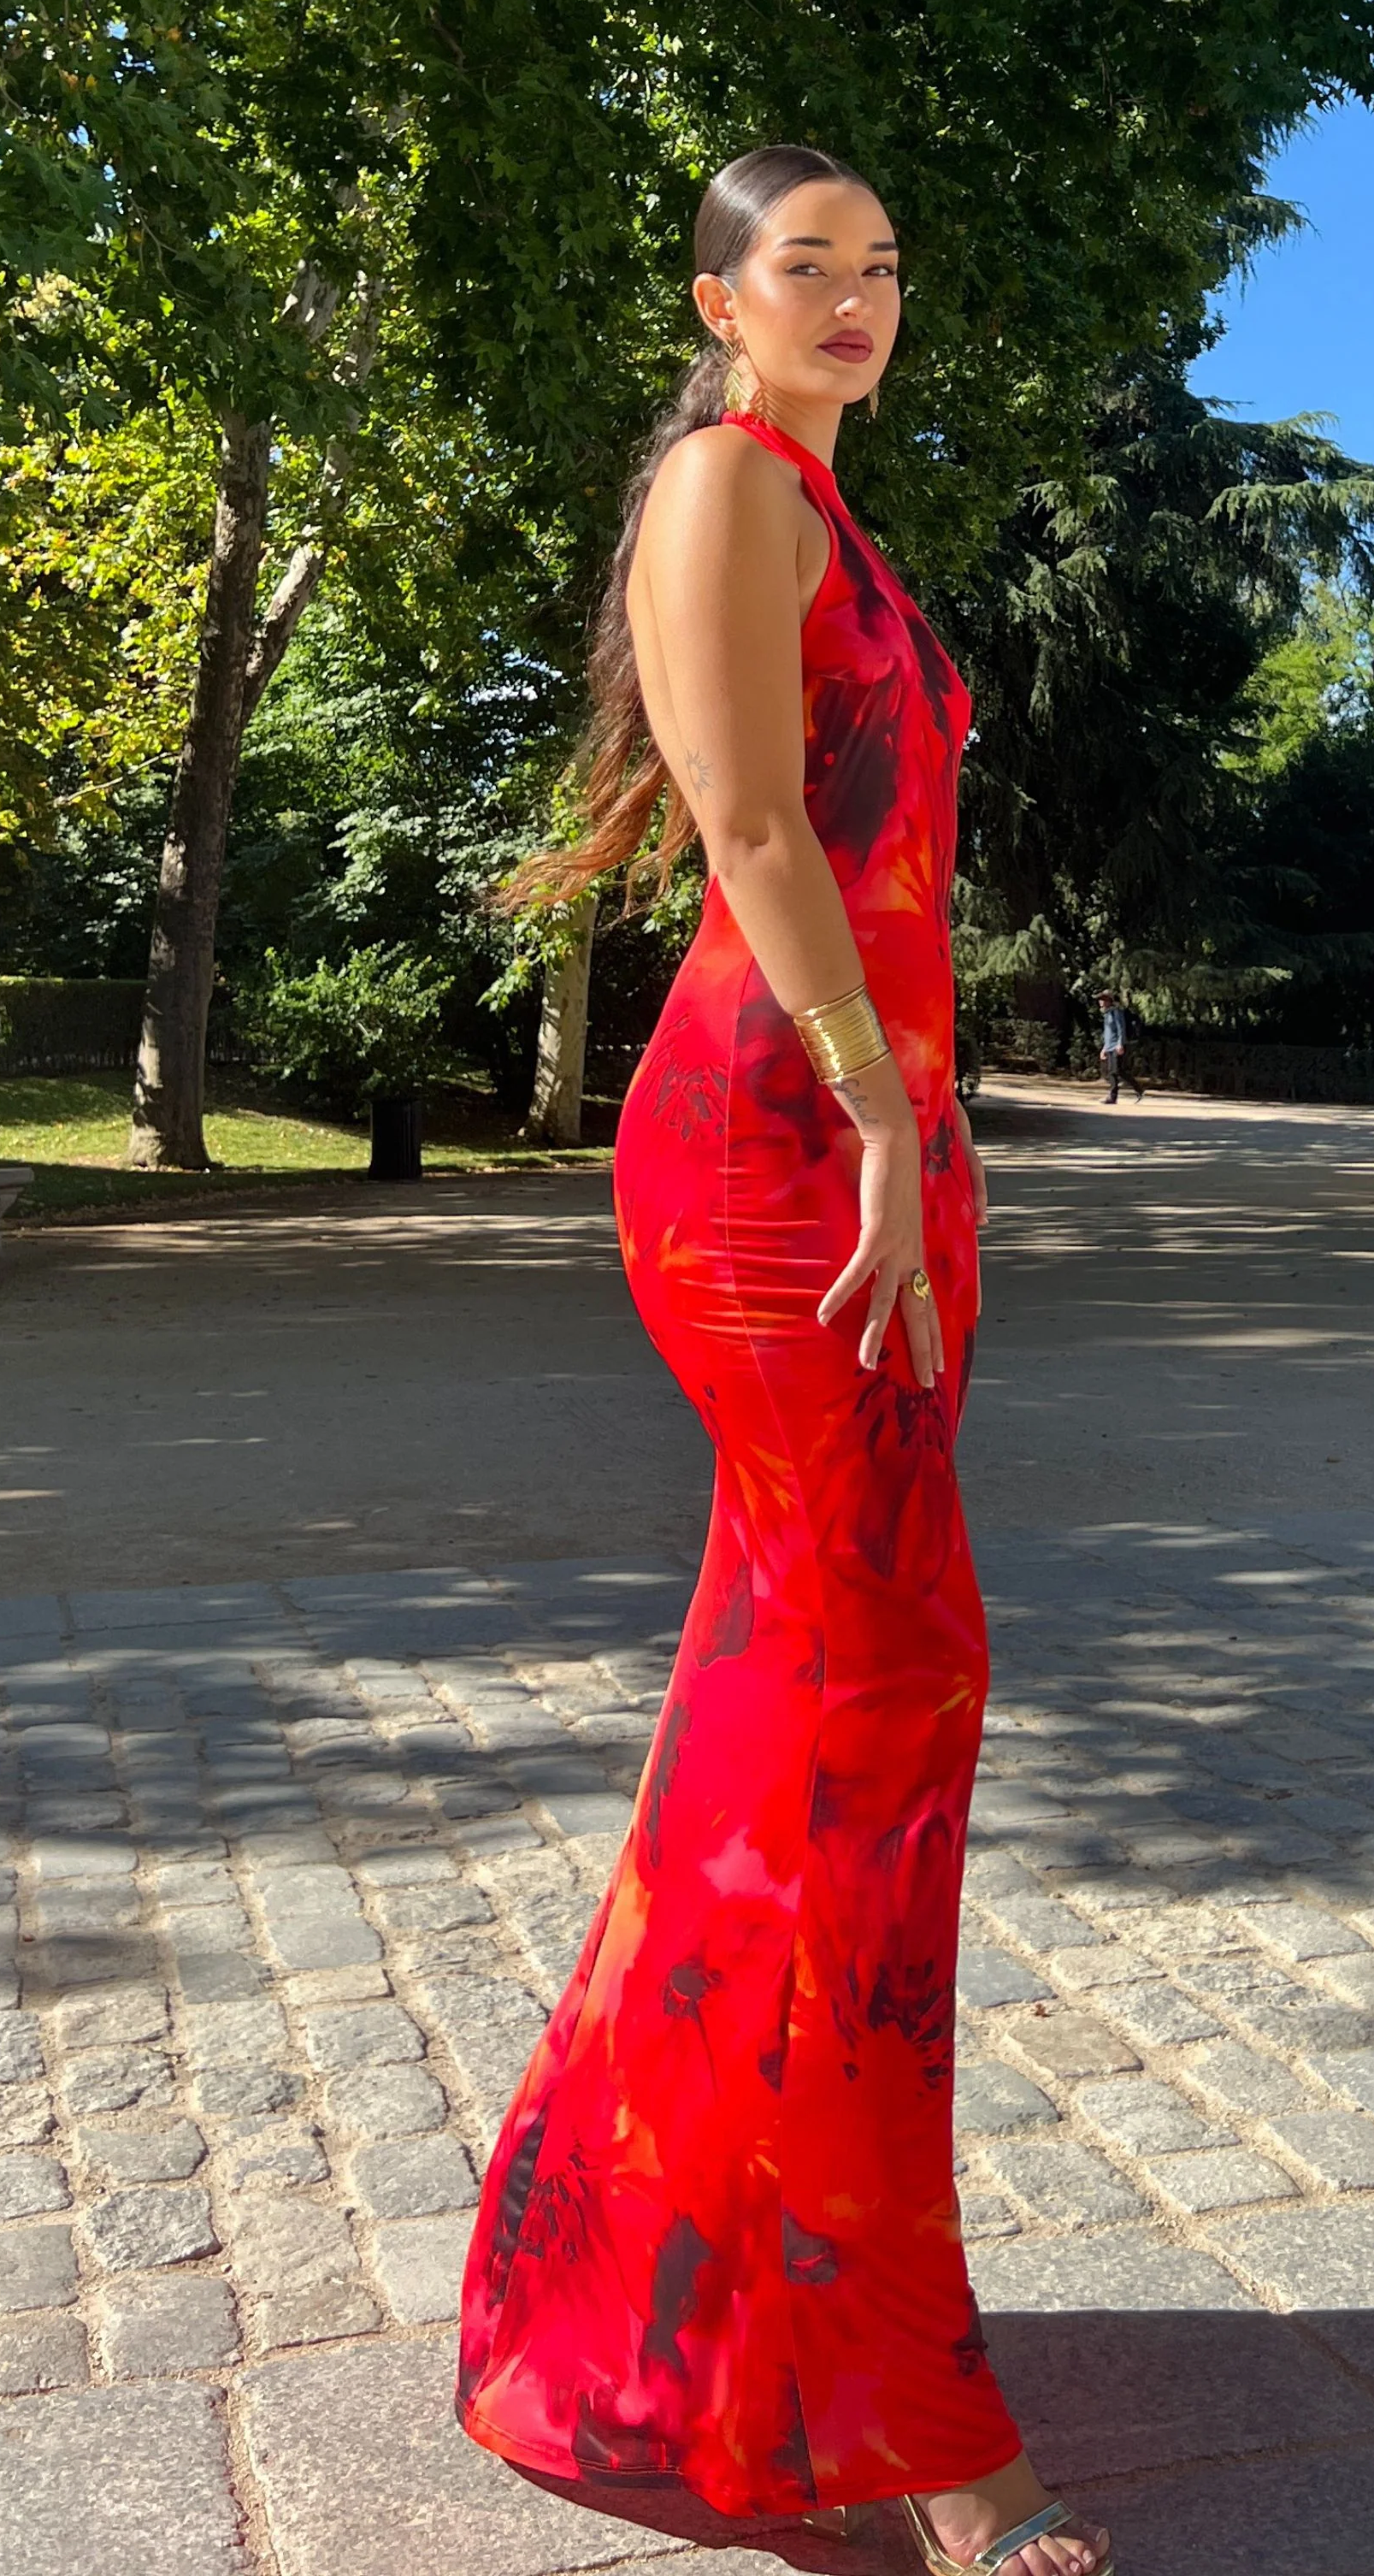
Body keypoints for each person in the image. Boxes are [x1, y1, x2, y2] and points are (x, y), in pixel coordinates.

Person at [457, 148, 1113, 2576]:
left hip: (877, 1138)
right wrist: (866, 1107)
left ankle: (655, 2264)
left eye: (883, 267)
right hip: (768, 1143)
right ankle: (910, 2413)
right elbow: (746, 818)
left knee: (807, 1707)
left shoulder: (850, 530)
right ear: (719, 296)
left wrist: (935, 1141)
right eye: (806, 266)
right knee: (869, 1694)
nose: (854, 300)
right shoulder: (727, 486)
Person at [1099, 991, 1140, 1105]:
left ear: (1108, 1001)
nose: (1100, 1001)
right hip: (1109, 1046)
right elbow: (1107, 1033)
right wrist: (1104, 1048)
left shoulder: (1116, 1012)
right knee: (1116, 1071)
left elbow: (1121, 1028)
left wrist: (1120, 1043)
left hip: (1117, 1045)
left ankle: (1114, 1096)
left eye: (1103, 999)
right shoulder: (1106, 1014)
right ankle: (1137, 1090)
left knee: (1115, 1071)